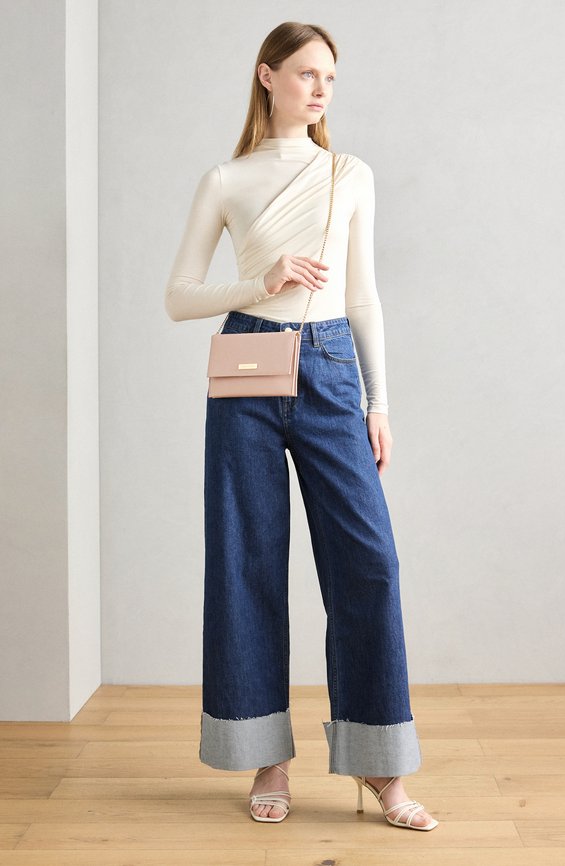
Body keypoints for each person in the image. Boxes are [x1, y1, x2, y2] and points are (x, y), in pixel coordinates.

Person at [164, 21, 438, 831]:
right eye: (307, 74)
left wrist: (379, 402)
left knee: (369, 562)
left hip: (329, 364)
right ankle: (267, 757)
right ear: (267, 76)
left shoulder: (349, 174)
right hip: (246, 365)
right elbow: (178, 296)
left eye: (330, 78)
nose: (321, 89)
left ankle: (380, 766)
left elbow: (362, 296)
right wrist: (259, 280)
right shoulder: (226, 179)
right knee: (246, 561)